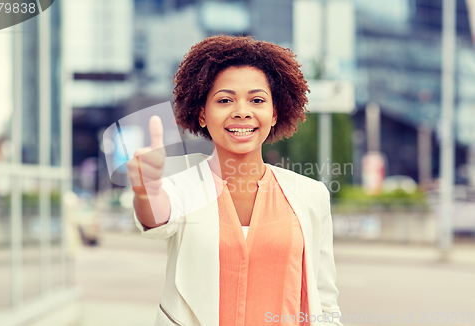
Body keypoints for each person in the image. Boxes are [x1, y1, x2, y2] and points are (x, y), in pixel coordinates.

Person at [128, 35, 343, 326]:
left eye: (256, 100)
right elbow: (157, 217)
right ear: (202, 114)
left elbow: (324, 297)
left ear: (274, 113)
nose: (242, 111)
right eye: (225, 100)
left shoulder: (310, 194)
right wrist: (147, 190)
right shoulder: (182, 187)